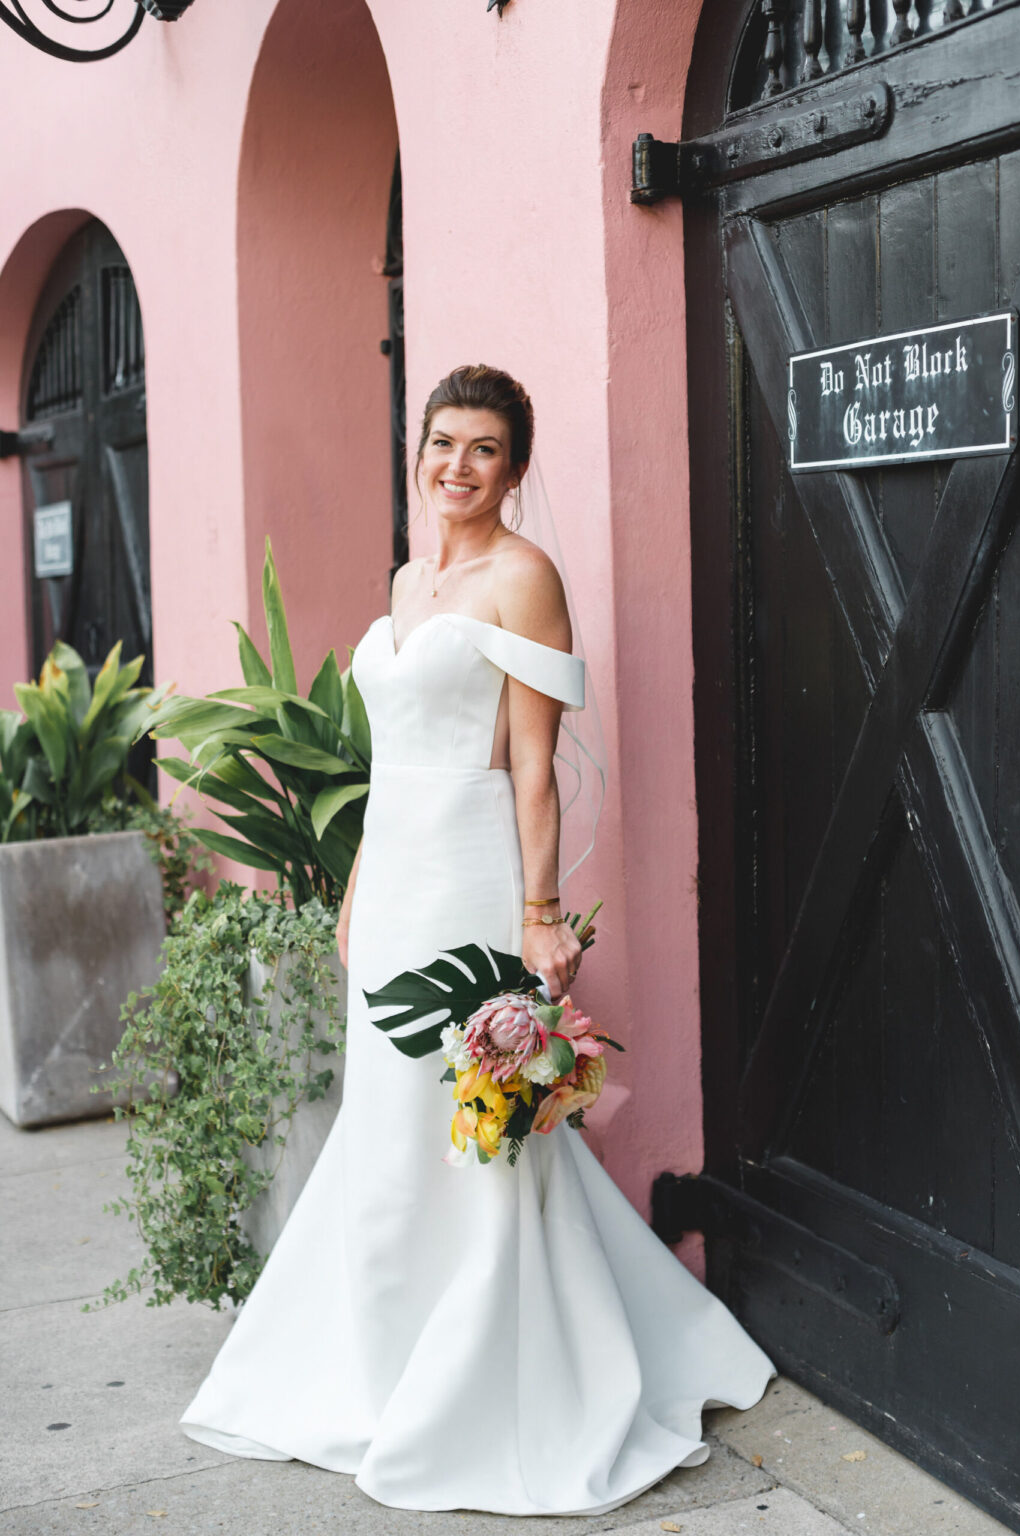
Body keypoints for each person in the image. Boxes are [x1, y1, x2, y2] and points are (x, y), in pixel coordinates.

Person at [179, 364, 774, 1515]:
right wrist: (355, 885)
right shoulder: (409, 580)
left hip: (467, 878)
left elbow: (533, 767)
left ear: (514, 465)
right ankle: (385, 1356)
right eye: (441, 442)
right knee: (388, 1119)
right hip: (392, 879)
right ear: (420, 452)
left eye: (484, 448)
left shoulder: (524, 577)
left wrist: (540, 914)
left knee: (470, 1122)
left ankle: (499, 1376)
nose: (457, 465)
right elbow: (384, 760)